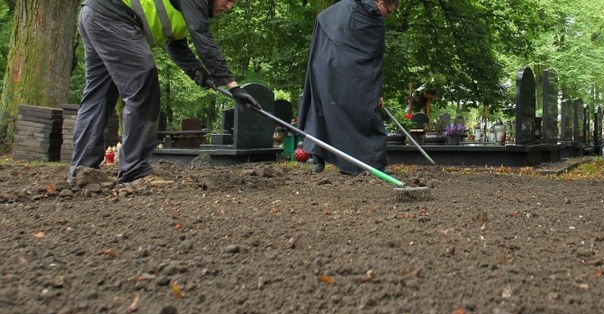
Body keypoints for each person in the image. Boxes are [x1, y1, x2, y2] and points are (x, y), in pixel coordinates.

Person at [69, 0, 259, 185]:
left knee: (99, 96)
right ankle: (135, 171)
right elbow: (201, 34)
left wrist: (198, 72)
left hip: (95, 13)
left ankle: (83, 171)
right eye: (228, 0)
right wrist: (232, 85)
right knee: (143, 84)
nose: (229, 6)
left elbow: (175, 45)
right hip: (114, 17)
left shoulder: (185, 10)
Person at [298, 0, 399, 174]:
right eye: (388, 11)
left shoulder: (349, 8)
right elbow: (375, 59)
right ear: (380, 2)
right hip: (333, 68)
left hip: (332, 67)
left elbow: (373, 58)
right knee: (339, 110)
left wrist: (376, 90)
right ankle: (369, 163)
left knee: (332, 109)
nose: (387, 16)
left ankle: (325, 158)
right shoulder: (355, 11)